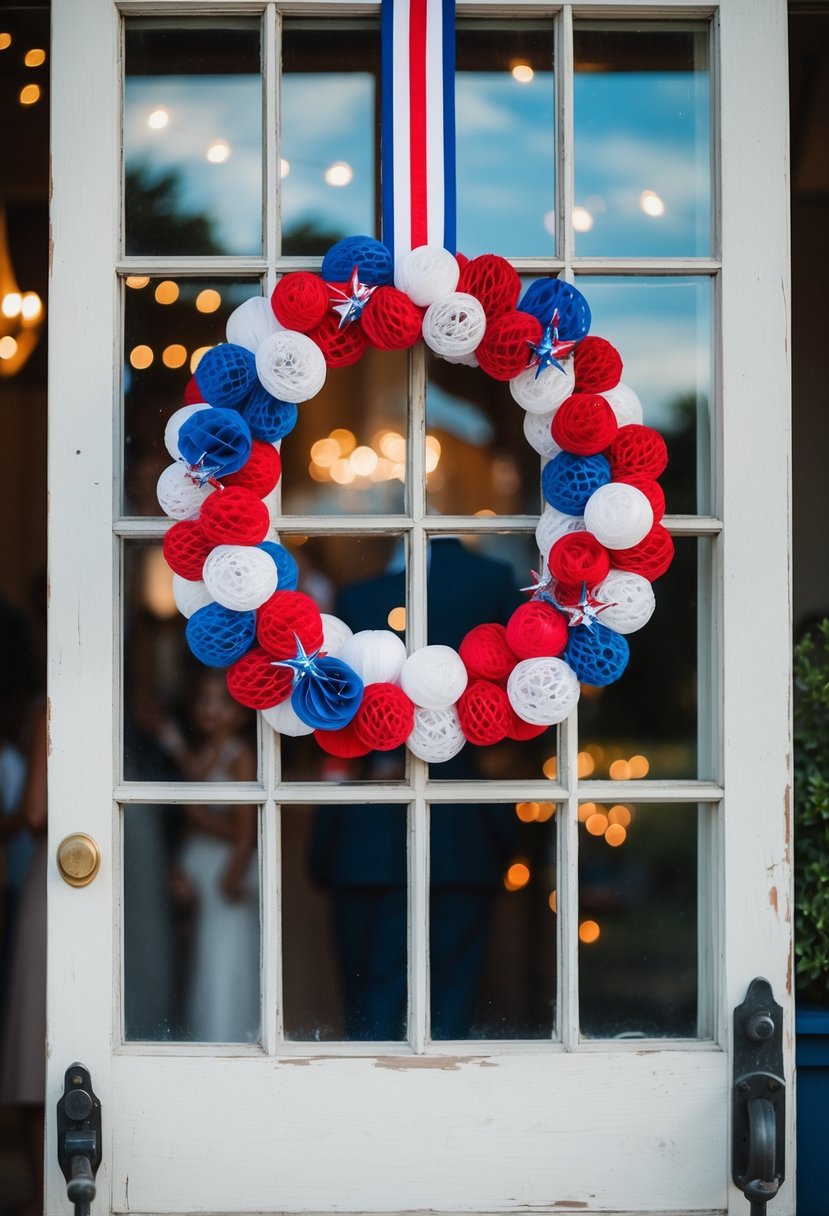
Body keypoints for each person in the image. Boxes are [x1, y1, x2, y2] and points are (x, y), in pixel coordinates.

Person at [309, 537, 523, 1040]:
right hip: (463, 831)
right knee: (450, 1005)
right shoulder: (490, 584)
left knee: (373, 1010)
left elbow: (337, 717)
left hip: (370, 838)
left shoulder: (360, 598)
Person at [163, 672, 260, 1043]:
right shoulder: (203, 753)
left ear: (240, 713)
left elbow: (245, 831)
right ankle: (201, 1039)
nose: (210, 708)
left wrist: (231, 875)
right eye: (204, 699)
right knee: (200, 962)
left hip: (226, 872)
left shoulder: (240, 755)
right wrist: (181, 866)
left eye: (222, 702)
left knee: (223, 961)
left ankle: (229, 1038)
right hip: (200, 871)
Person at [0, 705, 47, 1216]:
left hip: (57, 878)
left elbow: (35, 812)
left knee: (37, 1037)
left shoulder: (46, 710)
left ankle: (41, 1197)